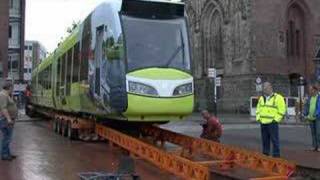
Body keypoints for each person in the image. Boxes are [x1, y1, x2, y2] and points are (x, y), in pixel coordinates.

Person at [256, 82, 286, 157]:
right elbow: (258, 109)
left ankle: (276, 155)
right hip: (263, 122)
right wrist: (258, 118)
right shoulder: (262, 98)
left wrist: (276, 119)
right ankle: (265, 154)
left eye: (266, 88)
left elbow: (282, 109)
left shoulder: (278, 97)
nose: (264, 90)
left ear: (270, 87)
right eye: (264, 88)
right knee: (265, 140)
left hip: (272, 122)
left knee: (274, 140)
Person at [0, 81, 18, 161]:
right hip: (6, 120)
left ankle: (7, 153)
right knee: (7, 138)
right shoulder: (3, 95)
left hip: (8, 120)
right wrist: (8, 119)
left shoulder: (6, 95)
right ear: (9, 87)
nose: (13, 89)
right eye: (12, 88)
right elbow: (3, 108)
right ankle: (4, 155)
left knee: (8, 137)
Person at [303, 85, 320, 152]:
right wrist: (305, 114)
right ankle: (314, 146)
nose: (310, 91)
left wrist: (316, 113)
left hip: (317, 118)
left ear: (315, 90)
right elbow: (306, 106)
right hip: (310, 117)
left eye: (311, 90)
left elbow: (319, 107)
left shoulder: (318, 97)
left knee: (318, 132)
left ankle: (319, 146)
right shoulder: (309, 98)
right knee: (313, 133)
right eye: (310, 90)